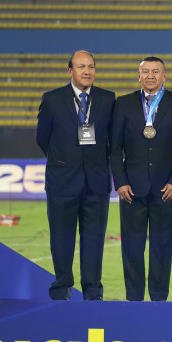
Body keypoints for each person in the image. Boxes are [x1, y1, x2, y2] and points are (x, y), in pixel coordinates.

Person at [110, 56, 172, 301]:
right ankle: (134, 300)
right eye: (145, 71)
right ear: (138, 76)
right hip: (131, 190)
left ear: (164, 76)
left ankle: (159, 299)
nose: (150, 75)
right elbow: (115, 148)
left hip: (165, 190)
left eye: (155, 71)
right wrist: (121, 182)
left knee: (162, 247)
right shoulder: (123, 104)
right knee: (132, 248)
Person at [36, 50, 115, 300]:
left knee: (94, 239)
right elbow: (42, 139)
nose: (87, 71)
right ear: (70, 71)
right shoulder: (52, 99)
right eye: (81, 67)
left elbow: (113, 139)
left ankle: (92, 290)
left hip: (97, 182)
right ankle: (61, 289)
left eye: (91, 66)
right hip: (62, 182)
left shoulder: (108, 99)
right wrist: (63, 160)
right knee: (61, 237)